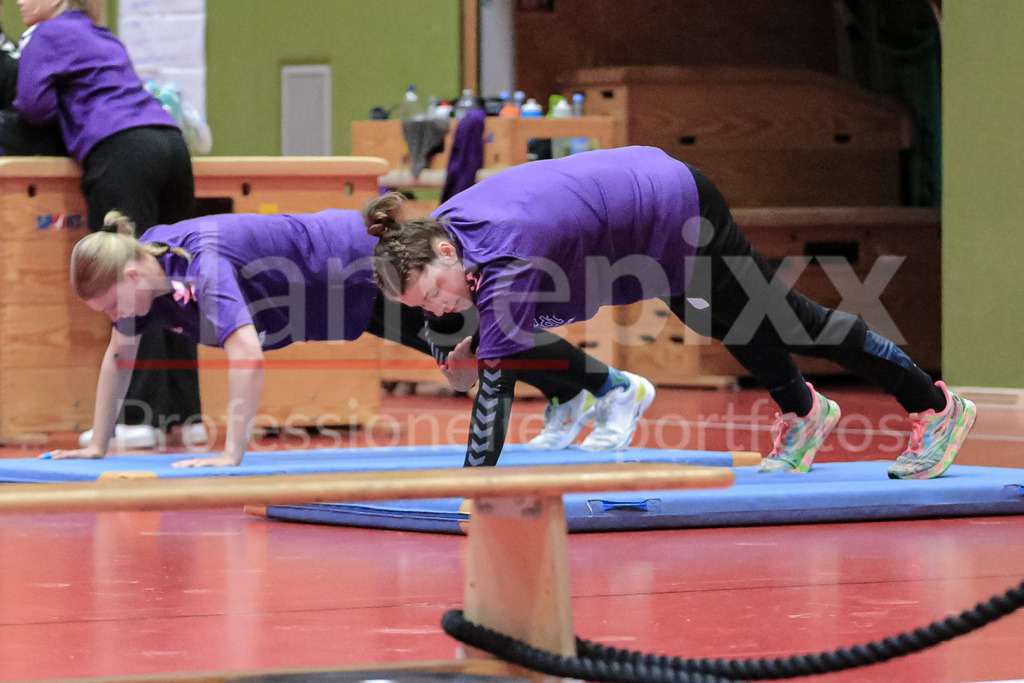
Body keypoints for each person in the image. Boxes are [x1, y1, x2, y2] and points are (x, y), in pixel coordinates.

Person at [364, 146, 976, 479]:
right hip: (638, 223)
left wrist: (470, 491)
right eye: (422, 308)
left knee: (789, 319)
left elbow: (492, 396)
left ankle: (936, 406)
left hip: (671, 203)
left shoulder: (504, 254)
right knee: (723, 320)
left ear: (445, 253)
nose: (439, 310)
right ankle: (806, 413)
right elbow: (501, 328)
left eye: (432, 295)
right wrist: (474, 340)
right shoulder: (453, 233)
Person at [47, 208, 652, 466]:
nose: (110, 318)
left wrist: (231, 453)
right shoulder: (146, 277)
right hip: (324, 297)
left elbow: (247, 356)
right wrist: (97, 445)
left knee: (479, 332)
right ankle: (566, 397)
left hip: (352, 268)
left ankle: (616, 387)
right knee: (465, 340)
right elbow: (118, 358)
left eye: (106, 304)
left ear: (129, 275)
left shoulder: (202, 263)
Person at [14, 0, 201, 449]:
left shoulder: (48, 35)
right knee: (172, 276)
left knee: (129, 279)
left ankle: (139, 417)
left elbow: (32, 106)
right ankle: (185, 415)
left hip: (121, 150)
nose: (19, 1)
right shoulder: (101, 33)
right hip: (171, 146)